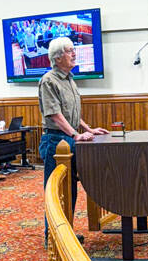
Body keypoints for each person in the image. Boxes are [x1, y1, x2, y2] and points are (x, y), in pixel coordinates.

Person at [38, 36, 108, 237]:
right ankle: (52, 236)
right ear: (57, 57)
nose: (74, 53)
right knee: (57, 191)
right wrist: (76, 135)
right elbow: (55, 115)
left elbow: (73, 114)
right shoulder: (48, 81)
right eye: (69, 51)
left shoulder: (70, 80)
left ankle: (65, 232)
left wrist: (89, 129)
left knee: (70, 189)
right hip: (55, 140)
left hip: (69, 137)